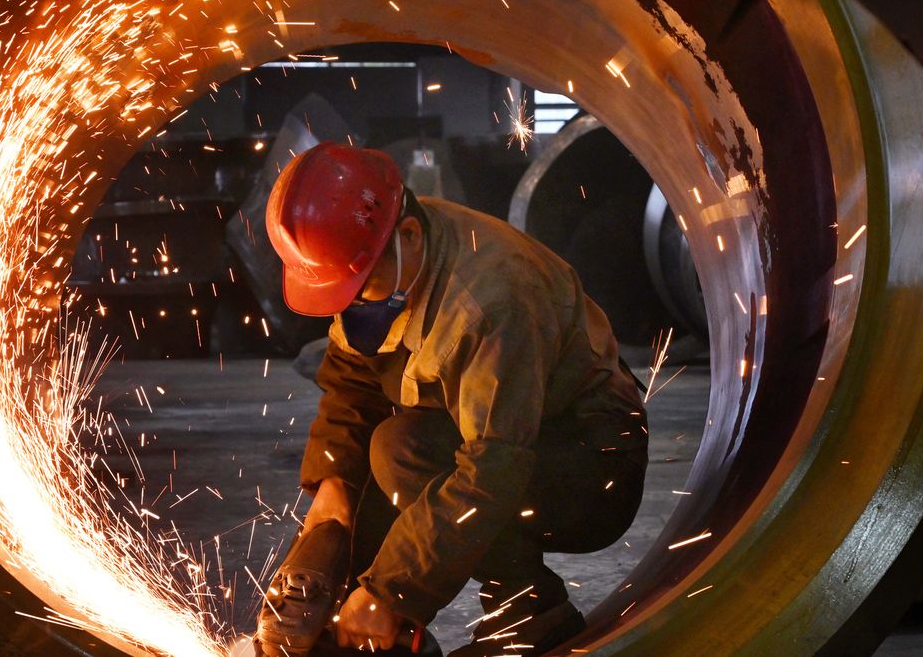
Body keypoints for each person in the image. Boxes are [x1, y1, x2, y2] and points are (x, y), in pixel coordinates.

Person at [265, 142, 648, 655]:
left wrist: (392, 592)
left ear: (408, 235)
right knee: (363, 485)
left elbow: (494, 466)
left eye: (358, 289)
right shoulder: (380, 259)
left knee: (401, 454)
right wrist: (332, 500)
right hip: (493, 442)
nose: (350, 306)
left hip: (588, 464)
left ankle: (532, 613)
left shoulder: (493, 299)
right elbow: (353, 383)